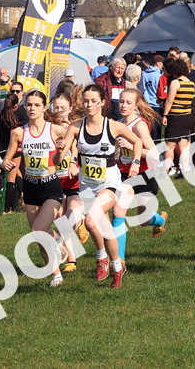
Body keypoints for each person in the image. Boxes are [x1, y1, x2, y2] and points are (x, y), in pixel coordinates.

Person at [53, 84, 142, 288]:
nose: (89, 105)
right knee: (106, 230)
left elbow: (137, 142)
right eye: (86, 101)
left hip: (110, 183)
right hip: (87, 186)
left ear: (102, 102)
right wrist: (59, 151)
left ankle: (101, 258)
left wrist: (135, 163)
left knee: (91, 222)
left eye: (94, 101)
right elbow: (58, 161)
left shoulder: (113, 126)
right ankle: (118, 268)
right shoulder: (75, 127)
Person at [2, 90, 70, 287]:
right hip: (31, 188)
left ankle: (56, 244)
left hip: (51, 186)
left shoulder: (55, 130)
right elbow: (8, 156)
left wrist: (70, 159)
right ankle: (56, 273)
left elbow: (70, 147)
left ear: (44, 107)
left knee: (37, 230)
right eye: (29, 105)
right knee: (40, 238)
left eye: (36, 105)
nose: (32, 108)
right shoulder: (18, 132)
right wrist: (5, 164)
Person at [114, 88, 169, 262]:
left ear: (136, 105)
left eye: (128, 103)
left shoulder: (139, 124)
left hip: (144, 175)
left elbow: (154, 154)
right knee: (118, 213)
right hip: (125, 175)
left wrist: (131, 147)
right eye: (121, 101)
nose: (123, 105)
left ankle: (159, 220)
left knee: (144, 219)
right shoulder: (117, 124)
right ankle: (119, 260)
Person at [51, 91, 89, 273]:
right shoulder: (49, 127)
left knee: (71, 219)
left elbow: (74, 146)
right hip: (56, 182)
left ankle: (81, 223)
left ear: (70, 109)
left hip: (74, 181)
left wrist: (73, 162)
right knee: (60, 221)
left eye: (62, 108)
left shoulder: (73, 127)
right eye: (55, 107)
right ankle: (72, 260)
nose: (58, 111)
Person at [161, 58, 195, 176]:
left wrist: (165, 115)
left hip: (176, 117)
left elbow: (170, 100)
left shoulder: (176, 82)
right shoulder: (191, 83)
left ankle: (166, 170)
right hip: (187, 116)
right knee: (184, 145)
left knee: (169, 146)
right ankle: (185, 169)